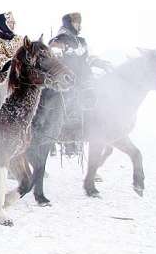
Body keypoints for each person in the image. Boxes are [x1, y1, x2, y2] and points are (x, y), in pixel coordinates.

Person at [48, 12, 112, 154]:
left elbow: (88, 58)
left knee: (99, 95)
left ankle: (96, 127)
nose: (79, 26)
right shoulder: (58, 40)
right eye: (76, 23)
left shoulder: (81, 41)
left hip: (84, 79)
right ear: (69, 24)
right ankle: (68, 135)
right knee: (71, 100)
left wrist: (101, 63)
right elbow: (53, 59)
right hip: (67, 81)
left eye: (79, 24)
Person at [0, 11, 24, 83]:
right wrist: (19, 61)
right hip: (5, 82)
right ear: (3, 23)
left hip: (23, 77)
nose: (13, 24)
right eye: (10, 22)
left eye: (13, 21)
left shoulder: (19, 39)